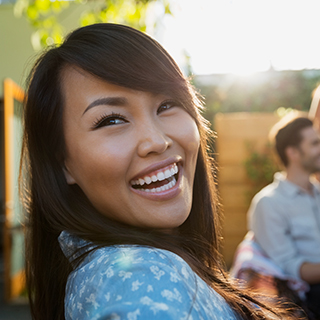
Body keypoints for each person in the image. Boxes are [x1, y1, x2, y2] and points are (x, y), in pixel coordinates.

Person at [21, 23, 299, 320]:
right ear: (63, 164)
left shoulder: (157, 267)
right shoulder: (137, 283)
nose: (157, 141)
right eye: (112, 120)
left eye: (167, 104)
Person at [247, 115, 320, 318]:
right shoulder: (269, 203)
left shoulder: (318, 193)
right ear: (293, 153)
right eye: (315, 143)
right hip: (307, 296)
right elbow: (291, 269)